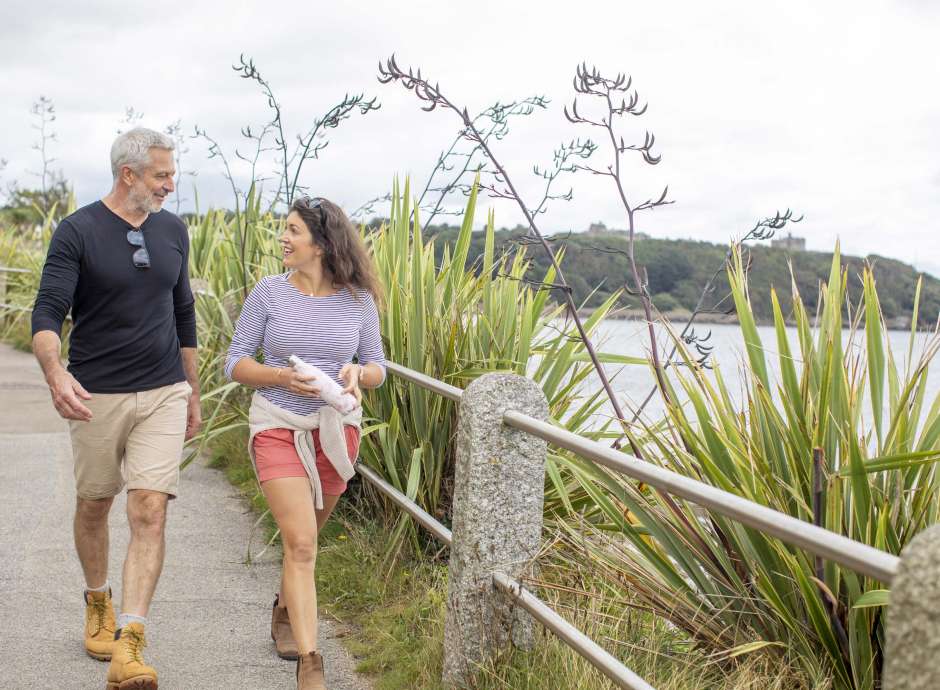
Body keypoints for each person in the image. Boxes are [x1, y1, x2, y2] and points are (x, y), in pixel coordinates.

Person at [31, 127, 200, 690]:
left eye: (172, 174)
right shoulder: (77, 231)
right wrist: (56, 373)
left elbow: (184, 316)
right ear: (129, 174)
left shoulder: (173, 231)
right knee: (94, 506)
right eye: (162, 175)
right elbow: (48, 314)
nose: (171, 185)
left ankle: (131, 641)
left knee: (149, 509)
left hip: (163, 391)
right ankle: (97, 599)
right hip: (95, 394)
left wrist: (192, 390)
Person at [225, 196, 386, 690]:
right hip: (277, 424)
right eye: (284, 229)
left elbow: (377, 366)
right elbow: (234, 363)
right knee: (300, 543)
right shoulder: (269, 292)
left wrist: (359, 372)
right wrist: (278, 375)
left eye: (293, 230)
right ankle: (311, 668)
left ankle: (283, 608)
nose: (283, 239)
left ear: (322, 243)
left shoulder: (359, 300)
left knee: (306, 541)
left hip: (336, 433)